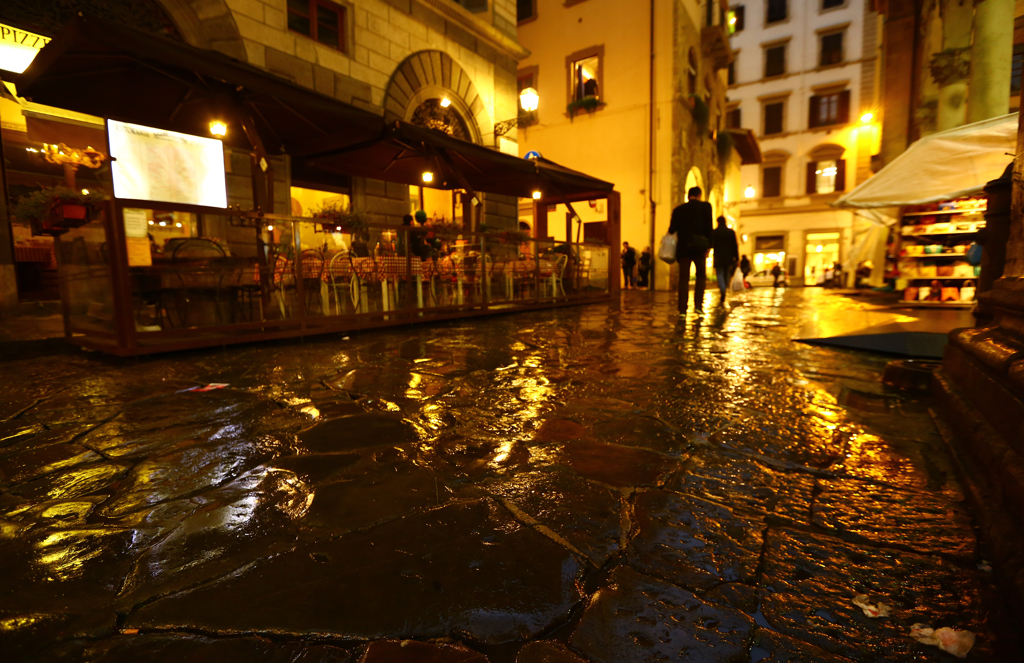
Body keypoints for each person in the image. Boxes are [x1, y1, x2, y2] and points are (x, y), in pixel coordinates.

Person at [668, 186, 713, 315]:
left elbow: (672, 229)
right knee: (700, 277)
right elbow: (709, 227)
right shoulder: (706, 207)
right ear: (699, 195)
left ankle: (682, 309)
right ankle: (698, 306)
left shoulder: (678, 210)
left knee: (683, 279)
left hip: (683, 248)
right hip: (700, 247)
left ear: (688, 196)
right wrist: (709, 246)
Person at [712, 216, 738, 305]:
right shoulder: (731, 232)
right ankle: (724, 288)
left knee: (719, 273)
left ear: (718, 222)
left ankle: (722, 289)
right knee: (726, 273)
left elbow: (712, 244)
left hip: (718, 256)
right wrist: (736, 257)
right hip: (728, 257)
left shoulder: (715, 232)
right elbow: (735, 245)